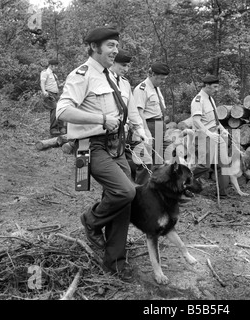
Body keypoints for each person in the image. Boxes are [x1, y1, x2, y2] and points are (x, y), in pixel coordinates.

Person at [55, 27, 149, 281]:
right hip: (91, 146)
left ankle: (115, 262)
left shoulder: (112, 77)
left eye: (116, 46)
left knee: (125, 200)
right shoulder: (81, 75)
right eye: (110, 45)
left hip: (116, 145)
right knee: (125, 191)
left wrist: (135, 130)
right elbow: (62, 111)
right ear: (95, 47)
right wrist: (100, 118)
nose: (115, 50)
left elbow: (122, 111)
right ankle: (91, 219)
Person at [190, 74, 230, 197]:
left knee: (223, 163)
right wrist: (209, 134)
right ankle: (183, 181)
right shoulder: (198, 100)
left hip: (216, 134)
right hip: (204, 136)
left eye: (217, 87)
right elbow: (196, 121)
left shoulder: (210, 98)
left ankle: (222, 193)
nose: (217, 89)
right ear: (207, 86)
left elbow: (215, 120)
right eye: (215, 87)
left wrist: (223, 129)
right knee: (204, 166)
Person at [132, 62, 170, 184]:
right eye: (161, 78)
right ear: (153, 74)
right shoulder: (141, 89)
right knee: (145, 162)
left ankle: (154, 190)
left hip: (159, 125)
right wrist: (146, 131)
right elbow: (139, 112)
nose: (163, 81)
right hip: (149, 126)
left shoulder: (156, 88)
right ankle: (141, 190)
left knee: (157, 162)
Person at [109, 49, 141, 181]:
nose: (126, 69)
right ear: (112, 62)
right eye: (123, 65)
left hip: (123, 134)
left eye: (128, 65)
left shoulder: (125, 83)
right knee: (120, 177)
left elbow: (132, 110)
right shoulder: (102, 79)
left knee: (123, 175)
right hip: (107, 135)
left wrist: (139, 129)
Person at [40, 59, 66, 136]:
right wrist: (44, 91)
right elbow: (42, 83)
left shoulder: (54, 75)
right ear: (51, 66)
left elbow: (58, 85)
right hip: (49, 93)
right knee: (54, 109)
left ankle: (61, 128)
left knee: (60, 109)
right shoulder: (45, 73)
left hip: (55, 94)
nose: (56, 68)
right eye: (55, 66)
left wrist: (64, 83)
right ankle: (53, 129)